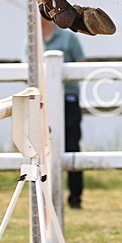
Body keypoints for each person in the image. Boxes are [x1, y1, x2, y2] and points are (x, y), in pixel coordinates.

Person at [42, 19, 86, 209]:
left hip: (68, 99)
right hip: (44, 101)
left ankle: (75, 196)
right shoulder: (31, 40)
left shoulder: (69, 37)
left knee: (72, 145)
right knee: (42, 147)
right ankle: (46, 195)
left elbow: (81, 64)